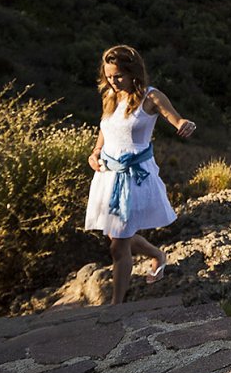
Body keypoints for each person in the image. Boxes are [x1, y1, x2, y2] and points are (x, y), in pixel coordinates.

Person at [83, 45, 197, 304]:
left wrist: (185, 125)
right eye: (108, 76)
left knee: (118, 246)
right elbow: (106, 129)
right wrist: (95, 152)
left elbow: (176, 119)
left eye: (118, 76)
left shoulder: (151, 97)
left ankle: (116, 306)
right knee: (117, 235)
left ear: (133, 73)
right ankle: (157, 254)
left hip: (134, 177)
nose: (113, 82)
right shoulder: (110, 96)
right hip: (107, 175)